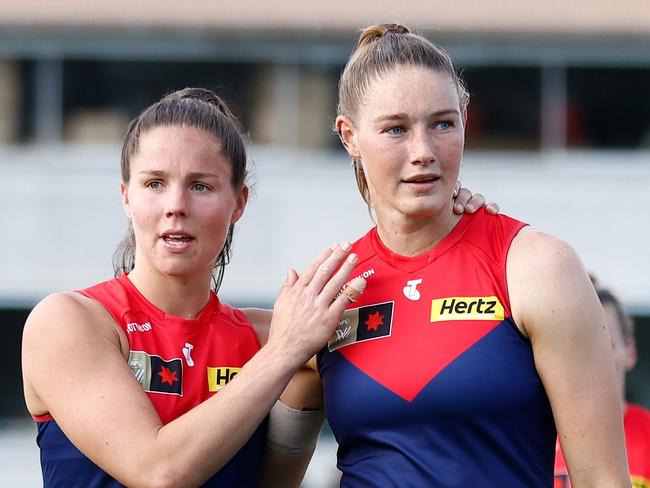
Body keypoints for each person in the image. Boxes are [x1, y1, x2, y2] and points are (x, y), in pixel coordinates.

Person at [21, 87, 489, 487]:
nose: (176, 206)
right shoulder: (69, 321)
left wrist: (448, 217)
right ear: (125, 196)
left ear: (238, 203)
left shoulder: (272, 338)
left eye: (201, 186)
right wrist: (286, 352)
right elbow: (159, 472)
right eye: (154, 183)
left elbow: (432, 339)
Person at [276, 23, 630, 487]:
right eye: (396, 129)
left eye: (442, 123)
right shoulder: (327, 295)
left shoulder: (537, 267)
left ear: (464, 118)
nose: (423, 151)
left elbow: (604, 479)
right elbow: (269, 477)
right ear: (349, 136)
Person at [554, 286, 650, 488]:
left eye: (606, 345)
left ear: (630, 353)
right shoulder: (533, 440)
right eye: (578, 345)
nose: (592, 358)